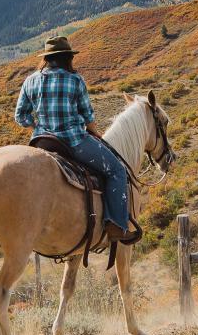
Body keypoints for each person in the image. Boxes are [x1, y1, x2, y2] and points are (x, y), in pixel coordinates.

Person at [15, 36, 138, 243]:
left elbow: (20, 116)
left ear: (47, 58)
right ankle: (116, 224)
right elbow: (88, 115)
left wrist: (36, 127)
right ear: (67, 58)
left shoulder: (30, 80)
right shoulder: (75, 80)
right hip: (73, 141)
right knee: (117, 170)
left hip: (42, 141)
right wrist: (95, 133)